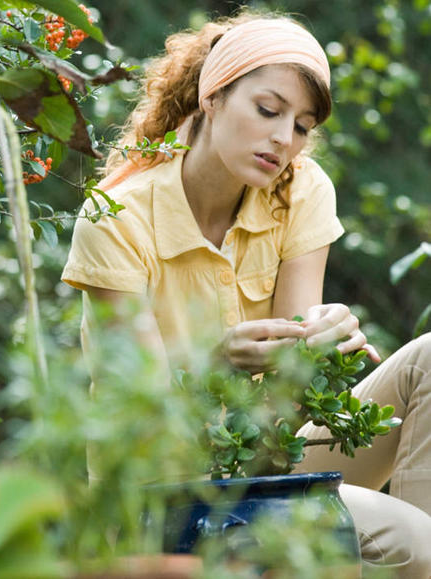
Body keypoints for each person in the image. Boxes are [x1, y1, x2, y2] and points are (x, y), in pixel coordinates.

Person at [61, 12, 431, 578]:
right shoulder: (116, 218)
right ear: (212, 97)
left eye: (303, 126)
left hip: (272, 460)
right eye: (268, 110)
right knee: (412, 539)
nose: (284, 139)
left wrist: (322, 337)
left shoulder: (300, 189)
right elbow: (136, 412)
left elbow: (292, 382)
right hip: (166, 492)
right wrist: (215, 358)